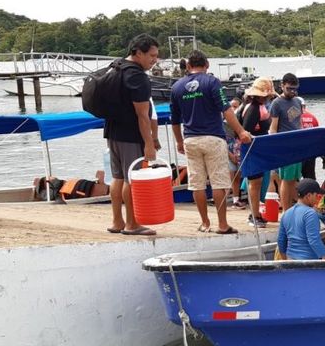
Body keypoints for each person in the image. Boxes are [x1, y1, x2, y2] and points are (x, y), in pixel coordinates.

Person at [171, 50, 252, 234]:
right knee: (218, 183)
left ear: (188, 66)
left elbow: (175, 120)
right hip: (213, 138)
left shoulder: (177, 87)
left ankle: (205, 223)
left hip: (190, 139)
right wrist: (240, 132)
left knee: (197, 184)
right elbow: (226, 110)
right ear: (206, 65)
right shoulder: (212, 82)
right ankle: (222, 224)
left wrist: (178, 142)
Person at [104, 33, 161, 236]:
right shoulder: (137, 76)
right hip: (130, 134)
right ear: (138, 53)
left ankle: (117, 221)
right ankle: (132, 223)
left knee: (117, 177)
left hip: (112, 131)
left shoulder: (116, 67)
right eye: (152, 56)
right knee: (132, 179)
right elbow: (143, 116)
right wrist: (149, 143)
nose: (155, 60)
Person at [239, 77, 276, 228]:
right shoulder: (253, 108)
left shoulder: (254, 106)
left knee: (257, 183)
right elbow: (246, 130)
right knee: (254, 184)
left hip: (256, 150)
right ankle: (254, 215)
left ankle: (256, 214)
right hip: (253, 151)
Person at [269, 73, 304, 213]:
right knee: (285, 178)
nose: (292, 92)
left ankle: (292, 207)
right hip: (285, 145)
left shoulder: (297, 101)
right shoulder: (277, 103)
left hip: (297, 145)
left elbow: (299, 123)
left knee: (294, 179)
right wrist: (275, 146)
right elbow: (273, 127)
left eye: (295, 89)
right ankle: (286, 210)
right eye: (289, 88)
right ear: (282, 86)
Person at [277, 178, 325, 260]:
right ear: (308, 196)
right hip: (308, 263)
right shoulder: (310, 213)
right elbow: (314, 240)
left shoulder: (286, 213)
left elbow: (281, 241)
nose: (317, 199)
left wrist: (285, 261)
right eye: (316, 196)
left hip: (290, 259)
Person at [225, 97, 245, 209]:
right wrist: (229, 154)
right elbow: (222, 141)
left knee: (238, 176)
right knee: (230, 175)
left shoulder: (241, 120)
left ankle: (236, 199)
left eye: (235, 106)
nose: (232, 109)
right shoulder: (224, 123)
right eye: (231, 106)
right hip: (229, 151)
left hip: (240, 151)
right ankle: (228, 199)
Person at [299, 97, 320, 181]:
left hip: (297, 153)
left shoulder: (292, 118)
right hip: (310, 153)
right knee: (310, 178)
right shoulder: (313, 118)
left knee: (294, 180)